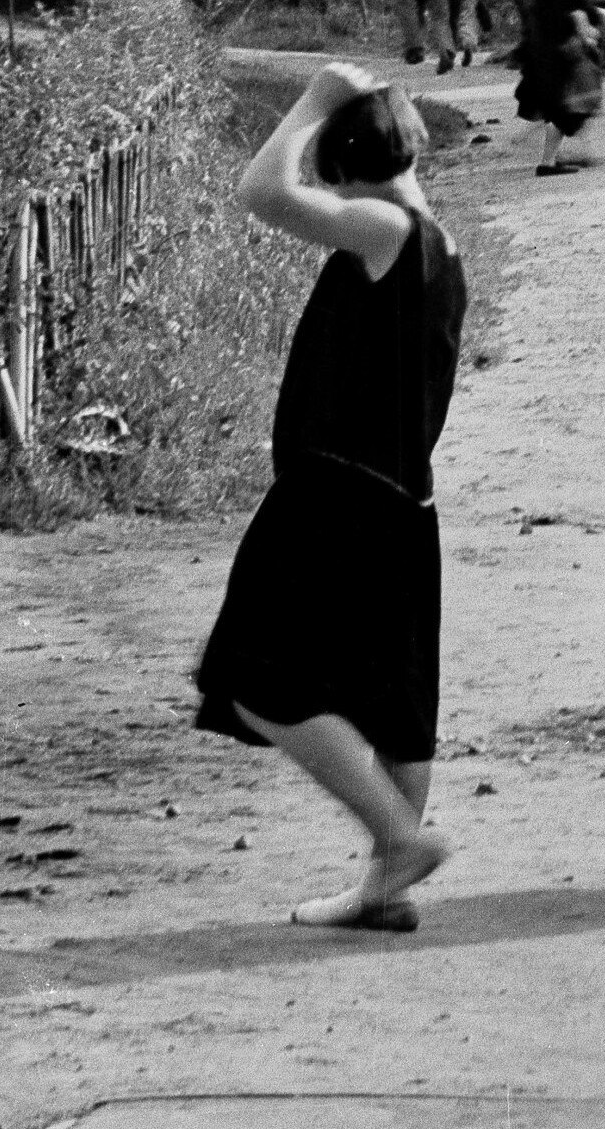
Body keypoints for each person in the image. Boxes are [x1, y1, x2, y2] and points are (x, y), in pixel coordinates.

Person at [190, 63, 470, 931]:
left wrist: (309, 101)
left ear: (348, 167)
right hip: (403, 503)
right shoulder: (437, 239)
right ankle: (386, 884)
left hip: (335, 495)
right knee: (392, 703)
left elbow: (261, 190)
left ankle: (396, 834)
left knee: (251, 673)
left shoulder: (382, 229)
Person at [515, 0, 605, 169]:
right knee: (571, 102)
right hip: (565, 44)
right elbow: (584, 7)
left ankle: (557, 157)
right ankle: (548, 162)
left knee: (561, 102)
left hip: (543, 42)